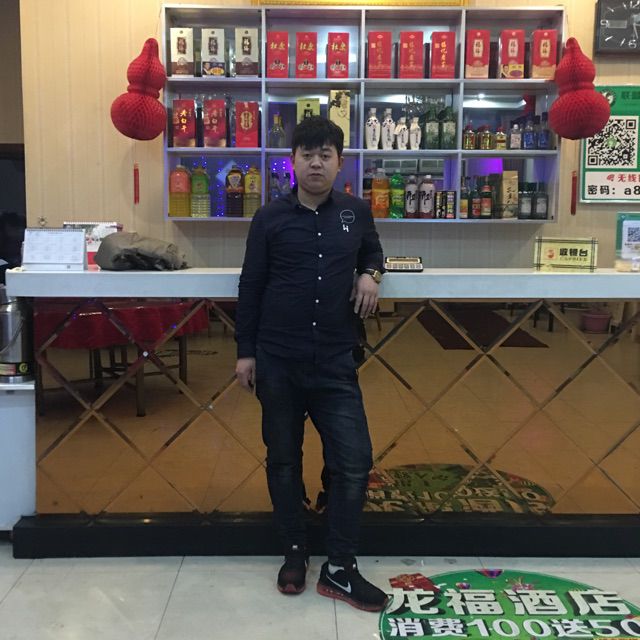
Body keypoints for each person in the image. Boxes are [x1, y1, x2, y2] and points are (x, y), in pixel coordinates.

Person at [235, 115, 388, 612]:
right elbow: (251, 285)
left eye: (325, 154)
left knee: (354, 461)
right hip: (278, 360)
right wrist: (245, 351)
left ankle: (340, 566)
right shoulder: (269, 218)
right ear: (293, 161)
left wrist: (370, 273)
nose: (316, 163)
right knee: (283, 459)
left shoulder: (356, 212)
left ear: (340, 162)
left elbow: (374, 251)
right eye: (307, 154)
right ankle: (295, 551)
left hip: (335, 361)